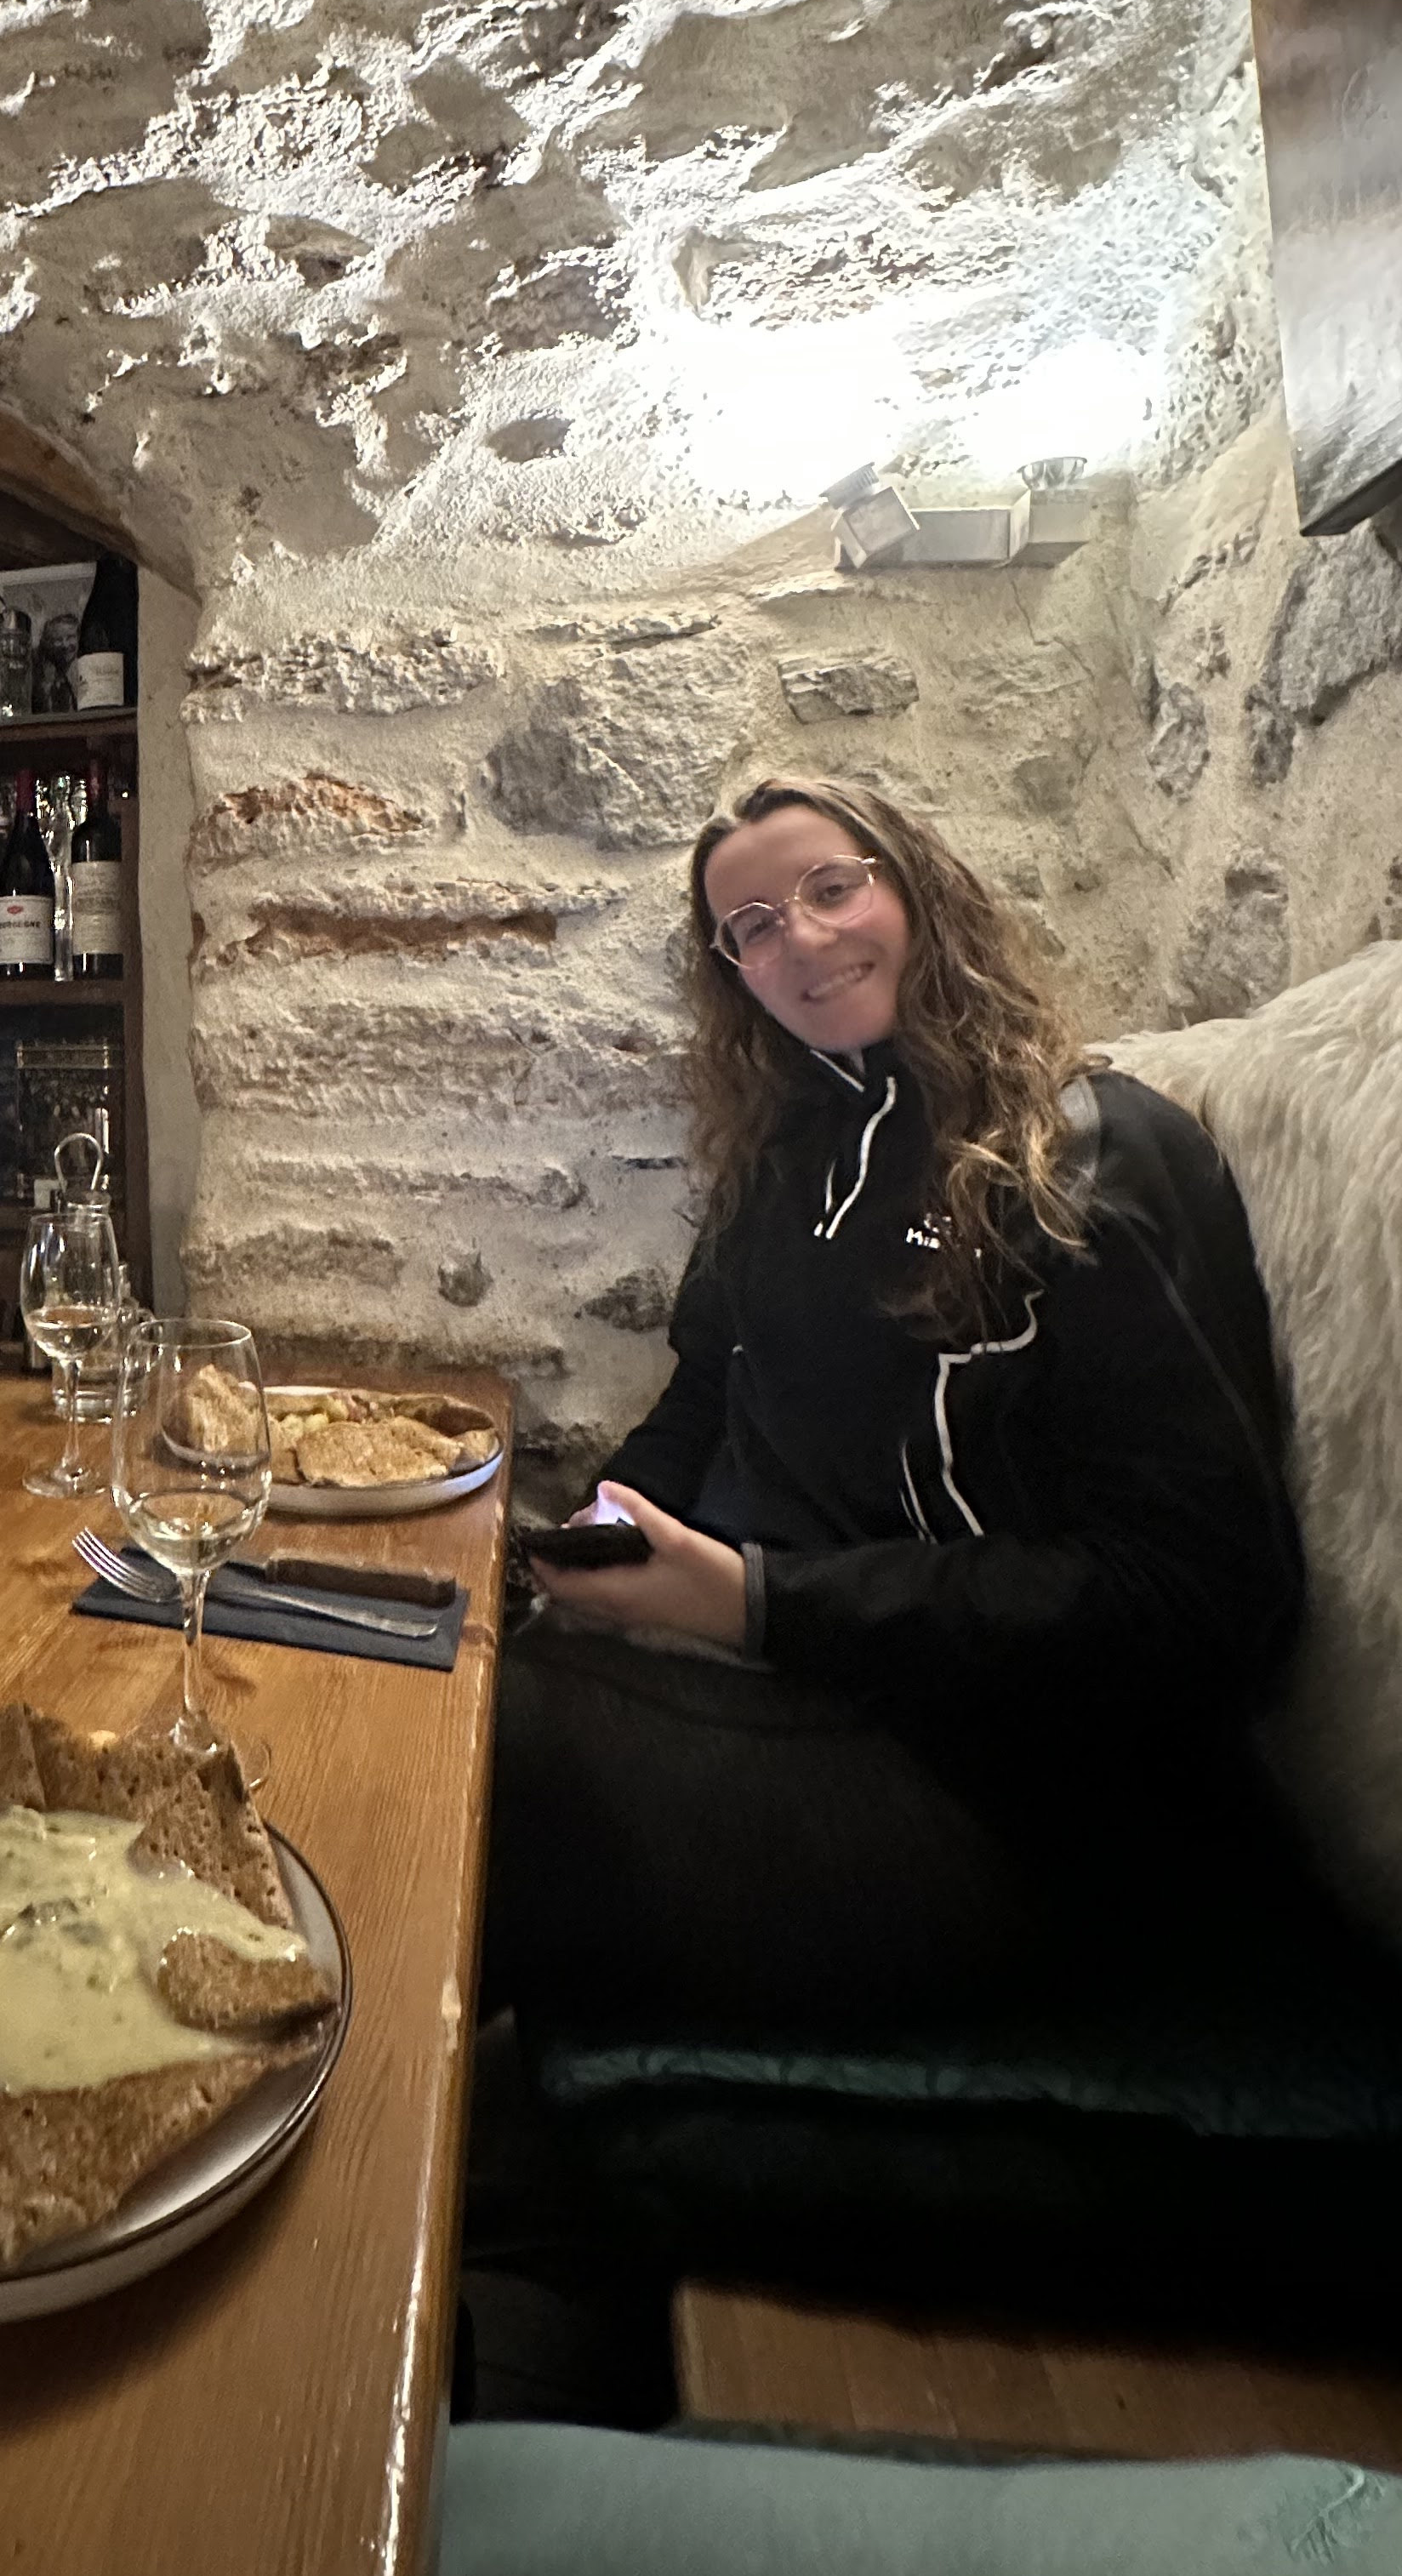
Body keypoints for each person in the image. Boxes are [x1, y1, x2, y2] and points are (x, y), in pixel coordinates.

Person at [483, 775, 1304, 2037]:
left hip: (1013, 1800)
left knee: (489, 1751)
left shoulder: (1092, 1154)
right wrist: (598, 1533)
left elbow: (1201, 1599)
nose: (803, 939)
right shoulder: (784, 1157)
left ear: (916, 888)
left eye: (832, 888)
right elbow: (710, 1394)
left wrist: (754, 1600)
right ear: (733, 974)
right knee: (439, 1662)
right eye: (754, 927)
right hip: (787, 1688)